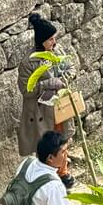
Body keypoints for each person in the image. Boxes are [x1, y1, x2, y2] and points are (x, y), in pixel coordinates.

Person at [18, 11, 73, 157]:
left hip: (59, 104)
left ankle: (63, 171)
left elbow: (71, 68)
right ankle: (47, 173)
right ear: (41, 41)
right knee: (45, 145)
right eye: (50, 39)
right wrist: (48, 84)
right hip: (40, 111)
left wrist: (64, 79)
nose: (54, 42)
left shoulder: (58, 52)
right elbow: (25, 90)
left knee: (62, 138)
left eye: (54, 38)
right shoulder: (28, 63)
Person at [0, 130, 74, 205]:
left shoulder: (26, 164)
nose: (66, 155)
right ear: (50, 158)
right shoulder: (54, 187)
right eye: (63, 152)